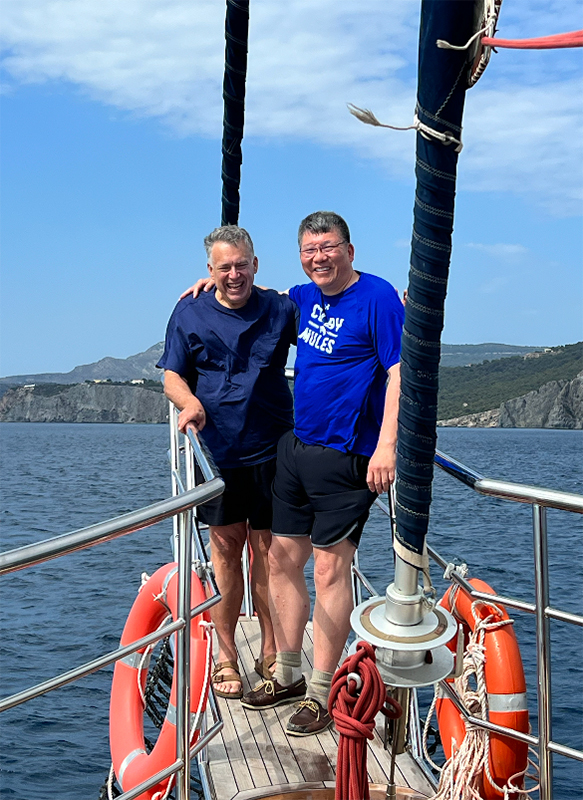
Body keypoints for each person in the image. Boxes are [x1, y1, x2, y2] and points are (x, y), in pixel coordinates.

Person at [238, 211, 404, 735]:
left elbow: (400, 372)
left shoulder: (377, 297)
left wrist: (387, 447)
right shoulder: (302, 298)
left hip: (349, 454)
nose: (319, 258)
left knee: (331, 570)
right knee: (281, 558)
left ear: (349, 251)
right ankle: (287, 672)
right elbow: (257, 296)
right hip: (297, 447)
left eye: (328, 248)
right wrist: (213, 283)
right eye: (309, 250)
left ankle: (320, 690)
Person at [157, 225, 297, 698]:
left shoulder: (279, 309)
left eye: (241, 265)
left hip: (272, 449)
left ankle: (272, 650)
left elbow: (330, 320)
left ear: (256, 264)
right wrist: (190, 403)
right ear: (209, 270)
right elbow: (172, 375)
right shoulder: (189, 311)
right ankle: (226, 655)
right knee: (225, 553)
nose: (234, 275)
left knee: (270, 554)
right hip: (218, 454)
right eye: (224, 268)